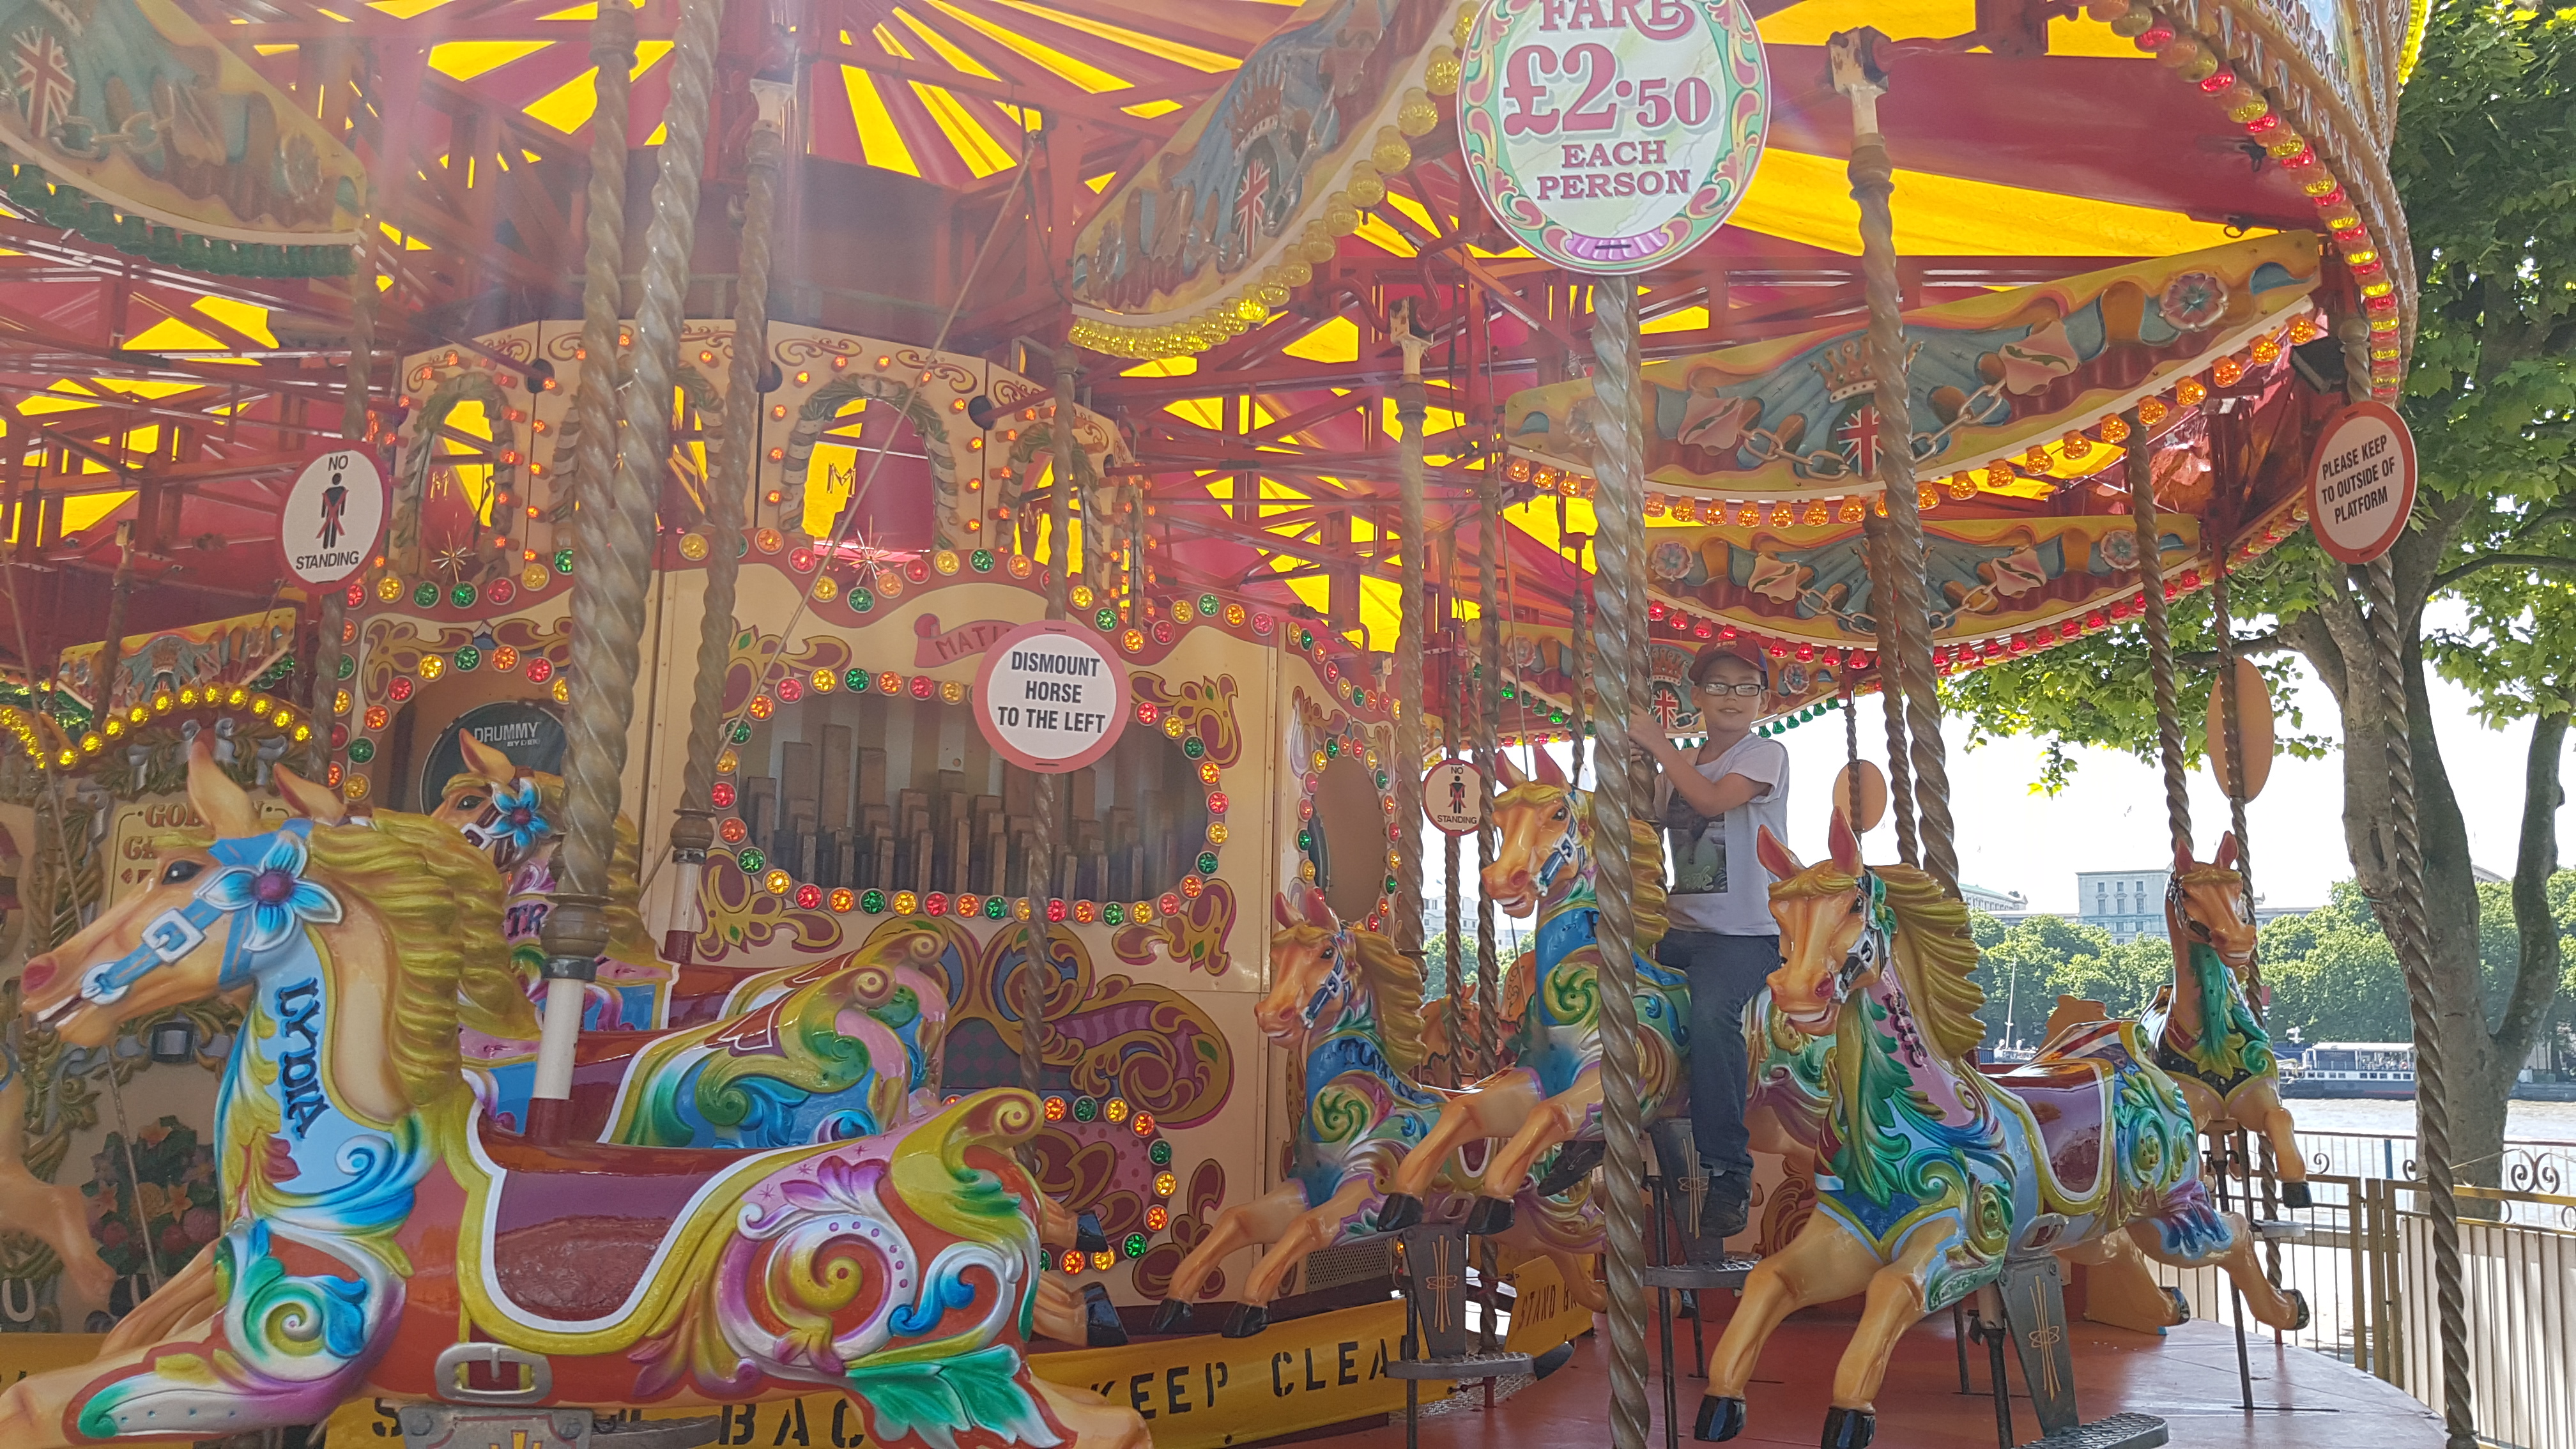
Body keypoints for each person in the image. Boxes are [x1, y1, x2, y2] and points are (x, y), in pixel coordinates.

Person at [1627, 643, 1788, 1259]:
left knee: (1712, 1016)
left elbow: (1714, 801)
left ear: (1762, 700)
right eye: (1717, 685)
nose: (1730, 697)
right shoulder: (1679, 766)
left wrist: (1659, 746)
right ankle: (1593, 1133)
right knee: (1613, 999)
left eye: (1745, 687)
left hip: (1745, 934)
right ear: (1697, 696)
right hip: (1680, 929)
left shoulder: (1764, 754)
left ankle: (1728, 1171)